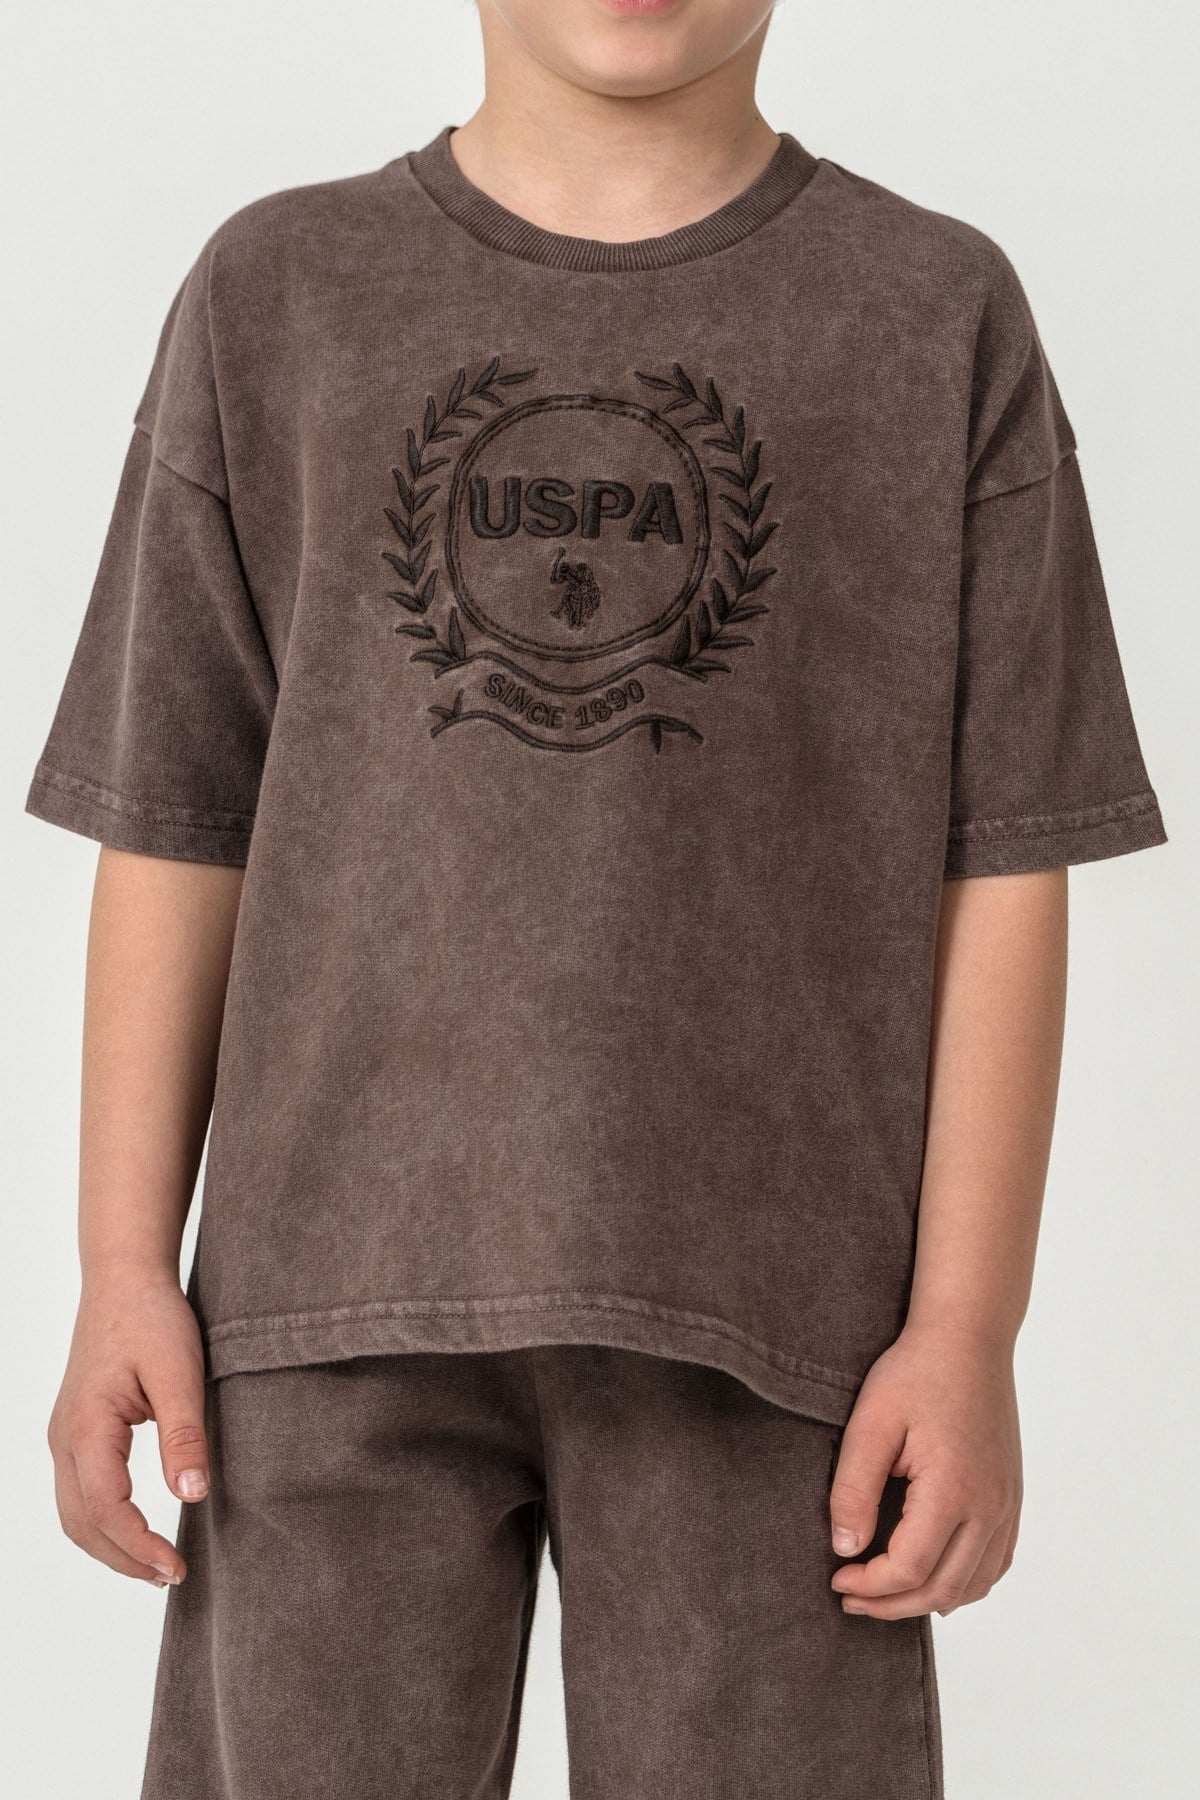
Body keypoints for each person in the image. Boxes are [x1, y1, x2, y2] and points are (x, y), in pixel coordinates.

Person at [26, 3, 1166, 1795]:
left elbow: (1006, 857)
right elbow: (177, 814)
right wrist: (117, 1267)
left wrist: (968, 1327)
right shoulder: (279, 294)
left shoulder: (934, 313)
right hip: (323, 1309)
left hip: (782, 1325)